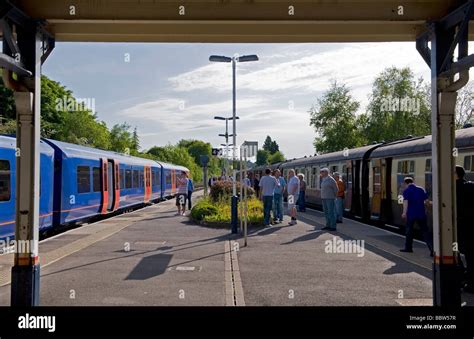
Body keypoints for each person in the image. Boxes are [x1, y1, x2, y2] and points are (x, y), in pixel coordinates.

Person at [400, 177, 433, 255]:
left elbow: (406, 202)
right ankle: (432, 250)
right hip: (421, 214)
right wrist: (429, 210)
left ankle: (408, 248)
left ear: (405, 183)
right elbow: (427, 201)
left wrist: (404, 213)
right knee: (426, 232)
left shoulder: (406, 191)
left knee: (409, 231)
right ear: (413, 182)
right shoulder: (421, 189)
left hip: (411, 214)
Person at [455, 166, 474, 293]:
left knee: (456, 255)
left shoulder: (453, 188)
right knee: (470, 256)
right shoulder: (470, 185)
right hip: (470, 226)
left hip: (460, 227)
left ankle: (464, 280)